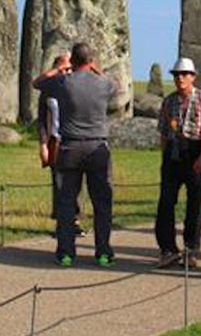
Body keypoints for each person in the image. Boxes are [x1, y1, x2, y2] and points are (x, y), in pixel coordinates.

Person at [33, 43, 118, 268]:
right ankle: (103, 252)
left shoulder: (64, 82)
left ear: (73, 62)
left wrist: (59, 68)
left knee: (66, 203)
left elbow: (37, 83)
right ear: (90, 61)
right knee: (102, 203)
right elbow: (116, 87)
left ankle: (66, 253)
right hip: (97, 146)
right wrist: (95, 68)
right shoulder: (103, 83)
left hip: (70, 147)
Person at [153, 57, 201, 269]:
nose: (180, 78)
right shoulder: (168, 101)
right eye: (177, 75)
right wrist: (165, 156)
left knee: (194, 204)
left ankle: (191, 248)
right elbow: (162, 131)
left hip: (195, 152)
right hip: (173, 153)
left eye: (184, 74)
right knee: (166, 202)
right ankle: (168, 249)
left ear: (193, 77)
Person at [36, 54, 83, 235]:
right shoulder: (48, 90)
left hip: (73, 139)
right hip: (55, 141)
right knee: (58, 182)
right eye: (64, 69)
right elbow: (41, 121)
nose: (67, 72)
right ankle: (61, 223)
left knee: (77, 182)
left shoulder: (75, 89)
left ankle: (75, 221)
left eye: (70, 69)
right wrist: (43, 145)